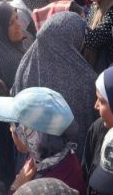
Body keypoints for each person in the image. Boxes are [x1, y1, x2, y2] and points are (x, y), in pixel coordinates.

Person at [14, 12, 97, 156]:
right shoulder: (85, 79)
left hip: (33, 158)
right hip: (72, 161)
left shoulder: (26, 63)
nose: (83, 41)